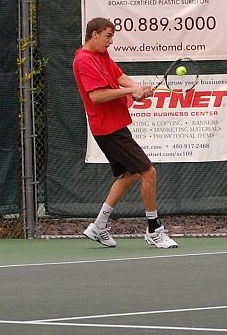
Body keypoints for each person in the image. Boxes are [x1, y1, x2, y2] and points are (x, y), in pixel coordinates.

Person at [72, 17, 178, 249]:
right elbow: (96, 96)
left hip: (115, 124)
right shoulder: (83, 60)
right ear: (94, 34)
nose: (111, 41)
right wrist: (130, 91)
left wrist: (137, 89)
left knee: (130, 174)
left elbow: (118, 76)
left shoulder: (101, 55)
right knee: (148, 171)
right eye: (108, 36)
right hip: (106, 128)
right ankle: (154, 229)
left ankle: (99, 225)